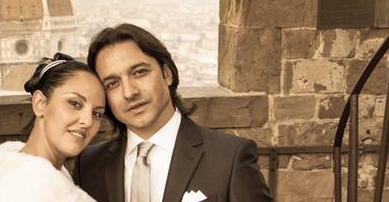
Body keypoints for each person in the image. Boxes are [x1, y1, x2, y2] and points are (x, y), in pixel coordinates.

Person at [74, 24, 273, 202]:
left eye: (139, 72)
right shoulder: (89, 164)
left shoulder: (229, 158)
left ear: (167, 73)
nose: (129, 92)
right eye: (112, 83)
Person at [0, 53, 107, 202]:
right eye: (74, 103)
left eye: (97, 113)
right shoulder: (40, 190)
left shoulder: (11, 169)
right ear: (40, 103)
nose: (88, 121)